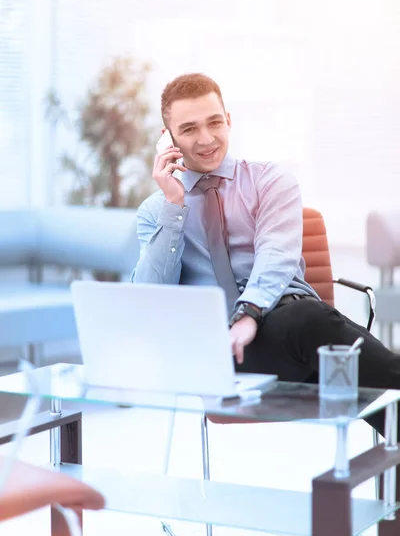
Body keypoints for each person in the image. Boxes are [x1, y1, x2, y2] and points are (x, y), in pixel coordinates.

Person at [132, 72, 400, 436]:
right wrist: (174, 204)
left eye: (214, 122)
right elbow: (149, 296)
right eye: (190, 129)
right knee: (337, 351)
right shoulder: (156, 211)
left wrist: (250, 313)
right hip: (225, 352)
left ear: (228, 120)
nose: (207, 139)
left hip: (287, 323)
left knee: (319, 334)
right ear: (169, 139)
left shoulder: (270, 181)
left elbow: (276, 255)